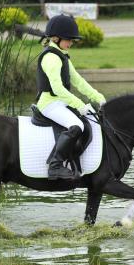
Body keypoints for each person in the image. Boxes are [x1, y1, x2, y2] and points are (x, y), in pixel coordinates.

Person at [36, 14, 106, 181]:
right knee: (76, 125)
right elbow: (58, 88)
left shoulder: (62, 55)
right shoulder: (51, 58)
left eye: (72, 40)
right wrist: (80, 104)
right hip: (49, 103)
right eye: (68, 39)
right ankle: (55, 165)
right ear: (56, 38)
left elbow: (78, 81)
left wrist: (98, 97)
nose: (71, 43)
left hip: (59, 102)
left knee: (89, 119)